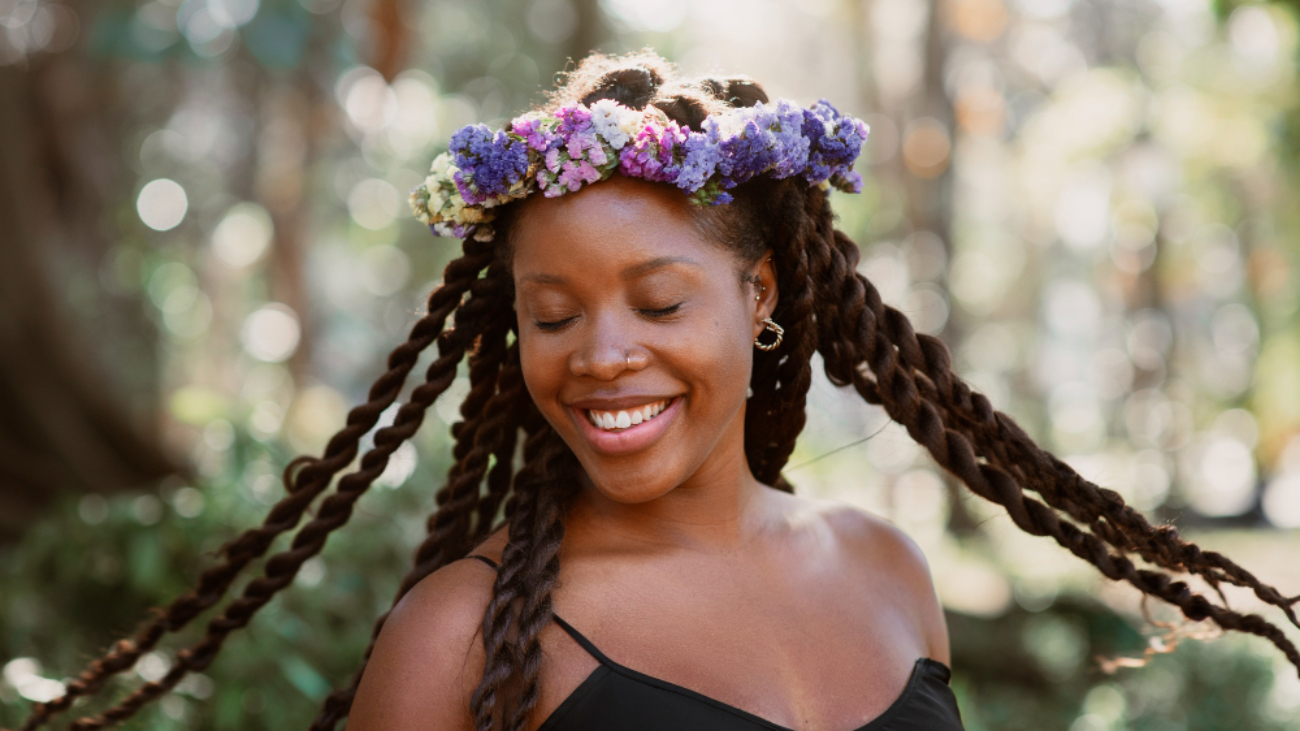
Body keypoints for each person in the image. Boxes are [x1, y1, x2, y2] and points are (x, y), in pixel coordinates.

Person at [18, 51, 1299, 731]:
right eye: (551, 314)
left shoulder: (889, 570)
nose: (601, 353)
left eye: (660, 300)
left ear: (762, 297)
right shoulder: (458, 637)